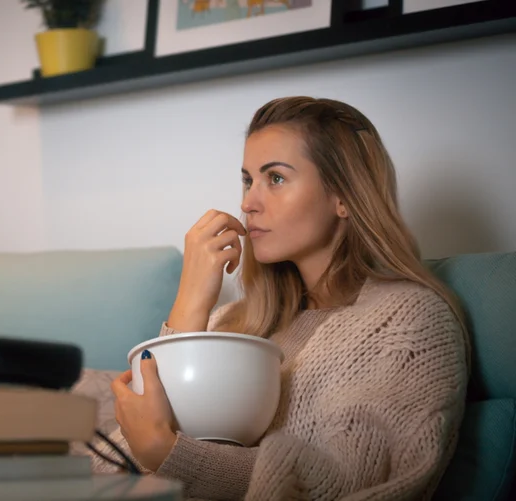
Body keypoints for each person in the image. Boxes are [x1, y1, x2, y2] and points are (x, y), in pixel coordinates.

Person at [86, 96, 470, 501]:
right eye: (248, 180)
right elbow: (112, 462)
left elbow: (351, 482)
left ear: (344, 195)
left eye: (276, 179)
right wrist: (190, 306)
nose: (247, 202)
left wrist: (170, 454)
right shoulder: (234, 321)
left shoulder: (409, 323)